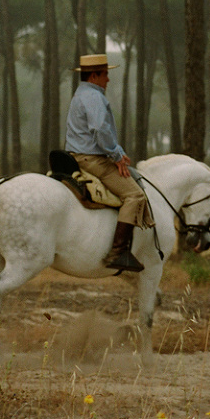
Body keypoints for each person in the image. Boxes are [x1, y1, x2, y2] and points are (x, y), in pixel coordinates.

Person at [65, 53, 147, 274]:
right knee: (135, 195)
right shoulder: (94, 96)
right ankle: (118, 252)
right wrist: (116, 155)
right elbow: (100, 129)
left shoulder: (80, 93)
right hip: (93, 160)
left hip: (77, 156)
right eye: (105, 74)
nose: (108, 79)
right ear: (94, 76)